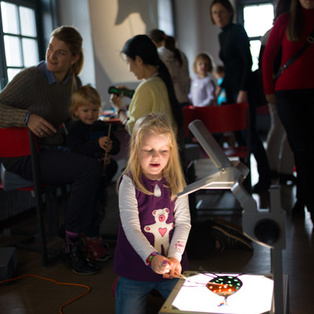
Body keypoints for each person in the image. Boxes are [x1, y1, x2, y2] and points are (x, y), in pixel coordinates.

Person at [0, 26, 101, 275]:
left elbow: (68, 121)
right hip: (22, 156)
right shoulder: (31, 77)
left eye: (60, 52)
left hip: (47, 151)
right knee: (88, 169)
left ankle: (87, 235)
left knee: (101, 164)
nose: (51, 56)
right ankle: (71, 245)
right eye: (50, 48)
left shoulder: (71, 83)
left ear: (74, 58)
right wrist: (27, 118)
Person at [114, 113, 191, 314]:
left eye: (163, 150)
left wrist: (175, 256)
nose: (156, 156)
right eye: (149, 150)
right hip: (134, 270)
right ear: (136, 151)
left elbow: (183, 223)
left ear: (171, 151)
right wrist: (151, 258)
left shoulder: (176, 181)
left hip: (171, 270)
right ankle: (122, 287)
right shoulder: (129, 182)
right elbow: (130, 227)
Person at [209, 0, 271, 193]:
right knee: (239, 137)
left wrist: (243, 90)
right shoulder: (222, 35)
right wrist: (221, 87)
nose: (218, 16)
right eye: (214, 13)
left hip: (244, 90)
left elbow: (247, 62)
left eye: (221, 11)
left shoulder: (237, 31)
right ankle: (246, 179)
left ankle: (265, 179)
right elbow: (229, 68)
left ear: (230, 12)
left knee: (250, 136)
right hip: (232, 90)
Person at [262, 0, 314, 221]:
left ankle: (304, 199)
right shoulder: (285, 20)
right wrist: (269, 91)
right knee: (301, 148)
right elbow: (267, 58)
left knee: (310, 149)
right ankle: (308, 203)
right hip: (288, 95)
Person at [68, 85, 121, 261]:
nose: (90, 114)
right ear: (76, 111)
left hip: (101, 179)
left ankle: (92, 236)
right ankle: (90, 239)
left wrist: (111, 147)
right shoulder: (76, 130)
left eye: (94, 110)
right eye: (85, 110)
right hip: (85, 180)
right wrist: (96, 144)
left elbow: (116, 145)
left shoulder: (102, 126)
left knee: (100, 208)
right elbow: (75, 152)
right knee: (89, 209)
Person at [110, 35, 182, 139]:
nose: (129, 69)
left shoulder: (146, 87)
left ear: (138, 60)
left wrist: (118, 110)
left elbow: (134, 128)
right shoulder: (161, 80)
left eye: (128, 62)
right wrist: (133, 94)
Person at [148, 29, 191, 107]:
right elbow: (186, 80)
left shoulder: (158, 55)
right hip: (184, 99)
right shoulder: (181, 55)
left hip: (169, 102)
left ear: (153, 42)